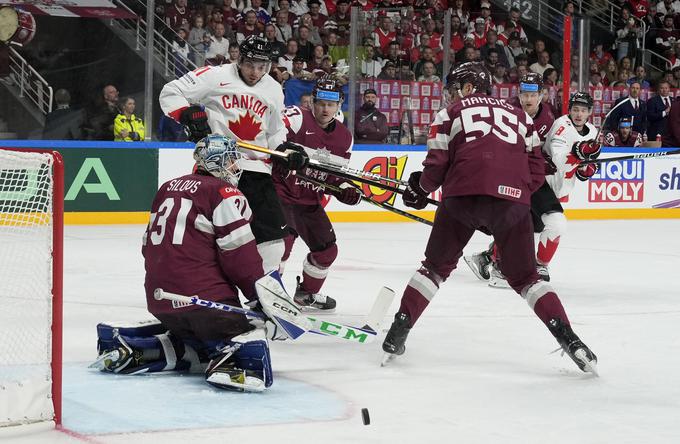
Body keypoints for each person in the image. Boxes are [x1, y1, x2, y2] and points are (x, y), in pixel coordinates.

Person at [381, 62, 598, 375]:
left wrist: (420, 187)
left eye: (456, 88)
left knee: (434, 268)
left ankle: (398, 331)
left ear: (469, 87)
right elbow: (537, 172)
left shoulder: (449, 114)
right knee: (527, 279)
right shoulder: (522, 118)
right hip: (512, 205)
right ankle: (571, 339)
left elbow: (436, 167)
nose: (452, 95)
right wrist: (511, 195)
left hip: (461, 199)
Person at [91, 135, 301, 392]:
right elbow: (240, 258)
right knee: (250, 330)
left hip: (161, 302)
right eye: (232, 161)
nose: (236, 168)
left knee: (194, 343)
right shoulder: (224, 193)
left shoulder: (167, 187)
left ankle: (141, 350)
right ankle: (232, 362)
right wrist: (264, 302)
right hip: (206, 303)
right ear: (218, 162)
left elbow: (148, 248)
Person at [160, 35, 309, 274]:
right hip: (216, 163)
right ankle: (202, 282)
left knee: (273, 239)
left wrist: (284, 151)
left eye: (262, 67)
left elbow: (275, 132)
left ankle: (268, 289)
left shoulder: (272, 89)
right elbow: (171, 92)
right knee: (207, 231)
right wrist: (187, 114)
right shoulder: (214, 76)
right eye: (250, 64)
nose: (255, 72)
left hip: (255, 169)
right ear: (239, 59)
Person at [464, 73, 559, 286]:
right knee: (513, 219)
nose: (528, 99)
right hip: (506, 175)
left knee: (529, 224)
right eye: (524, 94)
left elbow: (547, 148)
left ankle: (486, 258)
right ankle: (499, 265)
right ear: (518, 93)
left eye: (533, 94)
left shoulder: (548, 117)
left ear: (542, 95)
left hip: (530, 178)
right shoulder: (506, 111)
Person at [274, 77, 360, 311]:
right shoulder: (296, 117)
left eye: (330, 105)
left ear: (339, 104)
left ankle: (306, 294)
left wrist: (345, 188)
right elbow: (271, 135)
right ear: (312, 101)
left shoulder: (345, 137)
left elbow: (336, 176)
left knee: (327, 250)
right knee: (282, 244)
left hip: (309, 201)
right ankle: (271, 297)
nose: (325, 109)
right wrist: (285, 149)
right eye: (321, 103)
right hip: (281, 193)